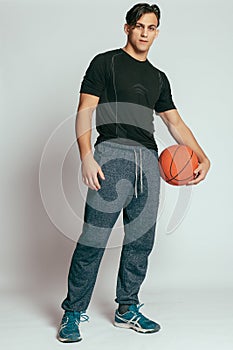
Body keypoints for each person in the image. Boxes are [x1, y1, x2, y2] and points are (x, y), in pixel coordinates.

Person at [57, 3, 210, 343]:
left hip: (148, 162)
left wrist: (202, 156)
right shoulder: (105, 62)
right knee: (93, 239)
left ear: (157, 31)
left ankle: (127, 308)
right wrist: (86, 156)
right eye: (139, 26)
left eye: (151, 27)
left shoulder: (158, 77)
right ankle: (72, 312)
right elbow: (85, 109)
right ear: (127, 28)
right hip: (110, 156)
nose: (144, 32)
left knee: (141, 241)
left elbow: (173, 121)